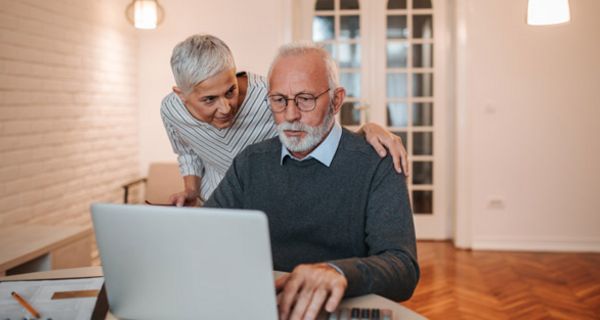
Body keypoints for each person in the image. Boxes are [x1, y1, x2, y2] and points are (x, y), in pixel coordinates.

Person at [204, 43, 419, 320]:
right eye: (279, 100)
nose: (290, 115)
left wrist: (339, 272)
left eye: (305, 99)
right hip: (267, 307)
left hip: (341, 306)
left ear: (337, 100)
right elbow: (205, 237)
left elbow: (403, 269)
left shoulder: (377, 161)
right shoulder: (251, 161)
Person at [161, 34, 410, 206]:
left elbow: (318, 125)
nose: (226, 107)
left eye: (230, 91)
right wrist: (191, 192)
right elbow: (187, 152)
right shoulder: (171, 111)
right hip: (215, 202)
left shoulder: (271, 97)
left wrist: (365, 129)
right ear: (181, 96)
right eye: (209, 100)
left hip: (270, 201)